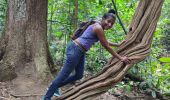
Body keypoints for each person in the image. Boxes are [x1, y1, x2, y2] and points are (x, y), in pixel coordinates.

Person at [43, 9, 130, 100]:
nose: (109, 25)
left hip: (80, 51)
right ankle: (47, 97)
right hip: (75, 49)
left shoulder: (98, 26)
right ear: (103, 19)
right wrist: (121, 58)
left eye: (112, 23)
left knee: (79, 75)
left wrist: (118, 45)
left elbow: (105, 41)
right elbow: (106, 46)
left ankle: (55, 86)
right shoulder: (98, 28)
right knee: (63, 75)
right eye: (108, 21)